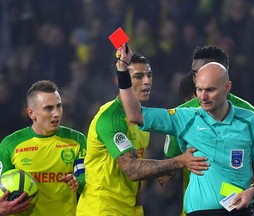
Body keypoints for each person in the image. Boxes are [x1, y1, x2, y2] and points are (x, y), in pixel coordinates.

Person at [116, 44, 254, 215]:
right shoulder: (185, 116)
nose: (203, 96)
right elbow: (135, 114)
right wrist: (123, 71)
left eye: (210, 90)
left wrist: (253, 190)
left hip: (239, 211)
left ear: (226, 87)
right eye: (199, 90)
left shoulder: (250, 120)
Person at [76, 53, 206, 216]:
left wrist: (138, 209)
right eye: (138, 76)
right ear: (120, 82)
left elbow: (135, 179)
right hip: (101, 209)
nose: (147, 81)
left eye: (149, 75)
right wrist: (180, 161)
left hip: (127, 210)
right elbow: (132, 169)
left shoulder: (141, 120)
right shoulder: (110, 119)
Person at [163, 46, 254, 215]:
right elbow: (167, 173)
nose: (196, 79)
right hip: (198, 210)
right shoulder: (181, 115)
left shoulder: (251, 117)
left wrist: (250, 205)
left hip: (237, 209)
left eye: (202, 71)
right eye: (194, 73)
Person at [0, 80, 87, 216]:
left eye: (59, 106)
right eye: (49, 108)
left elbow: (85, 177)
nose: (57, 113)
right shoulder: (10, 145)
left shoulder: (77, 140)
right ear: (31, 113)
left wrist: (77, 182)